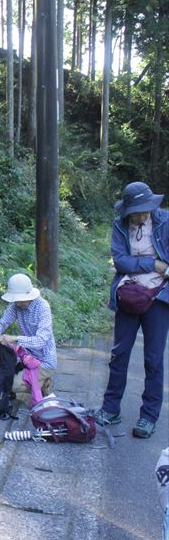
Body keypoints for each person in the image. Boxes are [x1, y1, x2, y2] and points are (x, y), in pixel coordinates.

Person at [96, 181, 168, 439]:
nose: (141, 215)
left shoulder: (165, 221)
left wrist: (159, 268)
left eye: (145, 209)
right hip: (128, 295)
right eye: (136, 211)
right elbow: (120, 261)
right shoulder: (120, 225)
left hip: (159, 297)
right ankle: (110, 408)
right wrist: (154, 264)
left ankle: (148, 417)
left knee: (153, 359)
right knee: (119, 354)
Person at [0, 273, 57, 405]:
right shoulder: (16, 305)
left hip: (44, 360)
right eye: (16, 300)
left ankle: (44, 382)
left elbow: (41, 341)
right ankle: (37, 380)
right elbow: (2, 323)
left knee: (11, 383)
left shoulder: (43, 307)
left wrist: (15, 339)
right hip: (26, 357)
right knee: (3, 373)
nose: (18, 303)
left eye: (21, 300)